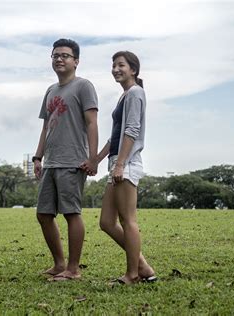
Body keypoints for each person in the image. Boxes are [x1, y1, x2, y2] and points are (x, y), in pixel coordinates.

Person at [83, 51, 156, 285]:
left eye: (121, 65)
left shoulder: (135, 93)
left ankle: (133, 274)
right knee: (106, 222)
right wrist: (96, 159)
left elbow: (131, 131)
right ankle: (143, 266)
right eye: (113, 65)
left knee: (128, 221)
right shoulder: (125, 96)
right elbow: (114, 137)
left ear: (133, 70)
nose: (115, 69)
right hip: (117, 162)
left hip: (127, 163)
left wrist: (121, 164)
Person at [33, 38, 98, 282]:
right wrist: (38, 157)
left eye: (65, 55)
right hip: (50, 161)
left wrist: (93, 159)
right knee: (43, 214)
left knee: (71, 213)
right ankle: (59, 263)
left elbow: (92, 123)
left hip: (73, 160)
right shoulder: (50, 90)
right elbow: (45, 128)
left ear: (76, 61)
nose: (59, 59)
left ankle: (73, 269)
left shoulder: (84, 86)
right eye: (55, 55)